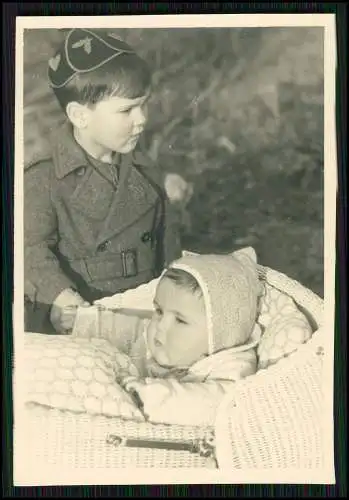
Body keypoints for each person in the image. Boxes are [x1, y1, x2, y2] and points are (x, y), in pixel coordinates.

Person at [24, 28, 182, 335]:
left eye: (144, 103)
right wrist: (58, 295)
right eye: (127, 110)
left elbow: (167, 245)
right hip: (80, 322)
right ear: (80, 116)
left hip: (148, 313)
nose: (142, 119)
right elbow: (29, 249)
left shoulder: (143, 168)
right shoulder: (44, 179)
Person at [73, 247, 263, 426]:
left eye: (180, 321)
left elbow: (221, 402)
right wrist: (83, 321)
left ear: (219, 334)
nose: (161, 325)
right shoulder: (155, 337)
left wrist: (148, 396)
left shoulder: (230, 364)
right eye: (159, 311)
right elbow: (130, 329)